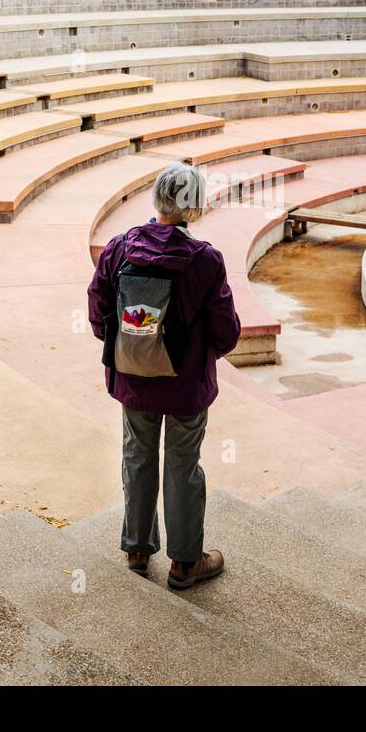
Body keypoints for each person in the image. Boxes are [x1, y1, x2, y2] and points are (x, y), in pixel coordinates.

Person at [87, 163, 241, 590]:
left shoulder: (120, 247)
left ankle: (137, 549)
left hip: (133, 380)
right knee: (183, 464)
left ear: (156, 198)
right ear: (195, 207)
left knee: (136, 456)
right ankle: (185, 562)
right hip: (185, 386)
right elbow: (225, 329)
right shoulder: (205, 259)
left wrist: (126, 346)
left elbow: (98, 306)